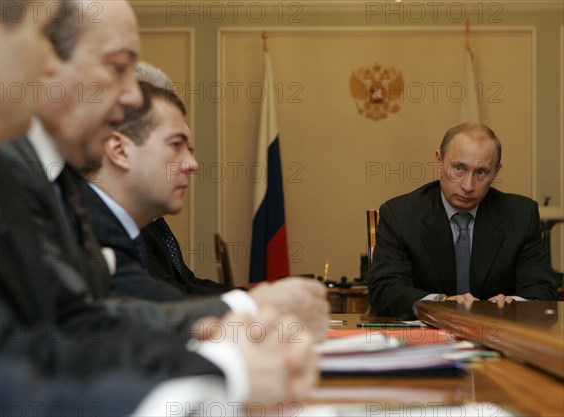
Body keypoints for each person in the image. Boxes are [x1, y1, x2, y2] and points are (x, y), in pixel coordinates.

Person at [0, 1, 319, 414]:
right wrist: (227, 367)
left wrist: (218, 349)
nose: (133, 97)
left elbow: (67, 330)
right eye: (44, 39)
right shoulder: (11, 175)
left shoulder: (10, 179)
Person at [85, 62, 329, 342]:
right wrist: (259, 304)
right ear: (119, 149)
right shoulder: (80, 226)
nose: (193, 164)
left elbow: (159, 308)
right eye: (176, 145)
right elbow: (153, 323)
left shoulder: (119, 228)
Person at [368, 123, 558, 318]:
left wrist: (514, 305)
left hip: (498, 337)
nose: (468, 186)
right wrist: (440, 304)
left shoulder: (521, 216)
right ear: (439, 160)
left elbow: (542, 291)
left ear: (496, 171)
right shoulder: (400, 215)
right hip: (425, 340)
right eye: (459, 168)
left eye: (481, 172)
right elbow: (384, 290)